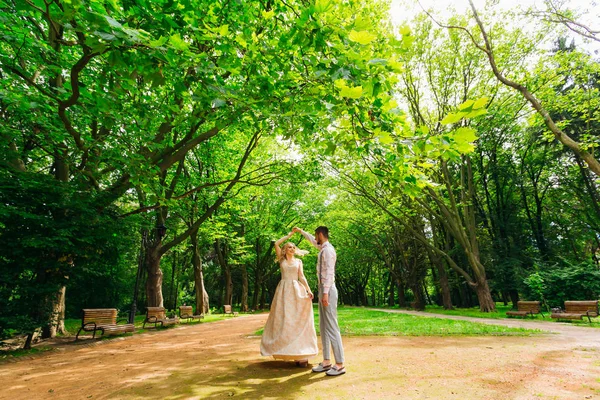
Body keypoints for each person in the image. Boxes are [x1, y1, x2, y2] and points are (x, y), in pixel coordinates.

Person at [259, 231, 318, 366]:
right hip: (283, 292)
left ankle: (301, 355)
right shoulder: (282, 259)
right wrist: (289, 235)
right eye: (289, 247)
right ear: (285, 250)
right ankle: (286, 350)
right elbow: (276, 243)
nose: (292, 248)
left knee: (297, 320)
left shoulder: (298, 261)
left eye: (293, 247)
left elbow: (301, 277)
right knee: (285, 320)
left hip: (297, 291)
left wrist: (309, 290)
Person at [294, 226, 345, 376]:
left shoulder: (328, 251)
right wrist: (301, 232)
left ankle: (340, 364)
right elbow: (312, 241)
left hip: (327, 290)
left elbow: (329, 272)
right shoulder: (323, 248)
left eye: (316, 235)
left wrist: (325, 293)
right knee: (323, 326)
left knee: (332, 326)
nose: (315, 238)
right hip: (323, 289)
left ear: (321, 234)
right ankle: (327, 361)